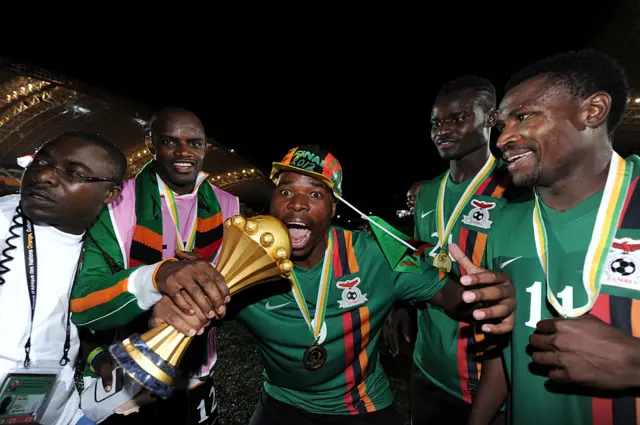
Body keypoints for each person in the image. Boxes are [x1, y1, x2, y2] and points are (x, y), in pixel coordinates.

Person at [151, 144, 517, 425]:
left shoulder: (377, 257)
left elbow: (456, 299)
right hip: (282, 401)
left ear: (334, 206)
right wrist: (171, 300)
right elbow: (186, 311)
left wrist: (489, 295)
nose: (297, 205)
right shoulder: (242, 263)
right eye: (286, 190)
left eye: (315, 194)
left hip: (361, 406)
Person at [468, 49, 640, 425]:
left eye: (523, 116)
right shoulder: (505, 224)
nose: (502, 140)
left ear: (592, 111)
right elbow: (505, 357)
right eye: (502, 125)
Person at [69, 107, 239, 425]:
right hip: (130, 375)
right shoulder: (116, 202)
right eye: (169, 141)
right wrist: (156, 278)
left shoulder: (229, 204)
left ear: (206, 147)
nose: (183, 152)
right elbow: (82, 302)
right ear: (150, 144)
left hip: (197, 371)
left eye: (194, 143)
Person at [384, 76, 510, 425]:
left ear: (491, 118)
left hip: (489, 382)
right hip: (427, 367)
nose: (443, 130)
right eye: (436, 123)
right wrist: (402, 303)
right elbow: (421, 257)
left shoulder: (513, 190)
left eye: (458, 118)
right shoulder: (427, 194)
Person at [0, 131, 126, 425]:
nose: (43, 175)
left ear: (110, 194)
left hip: (59, 411)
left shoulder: (106, 248)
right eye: (41, 161)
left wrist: (95, 354)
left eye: (74, 173)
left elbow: (64, 320)